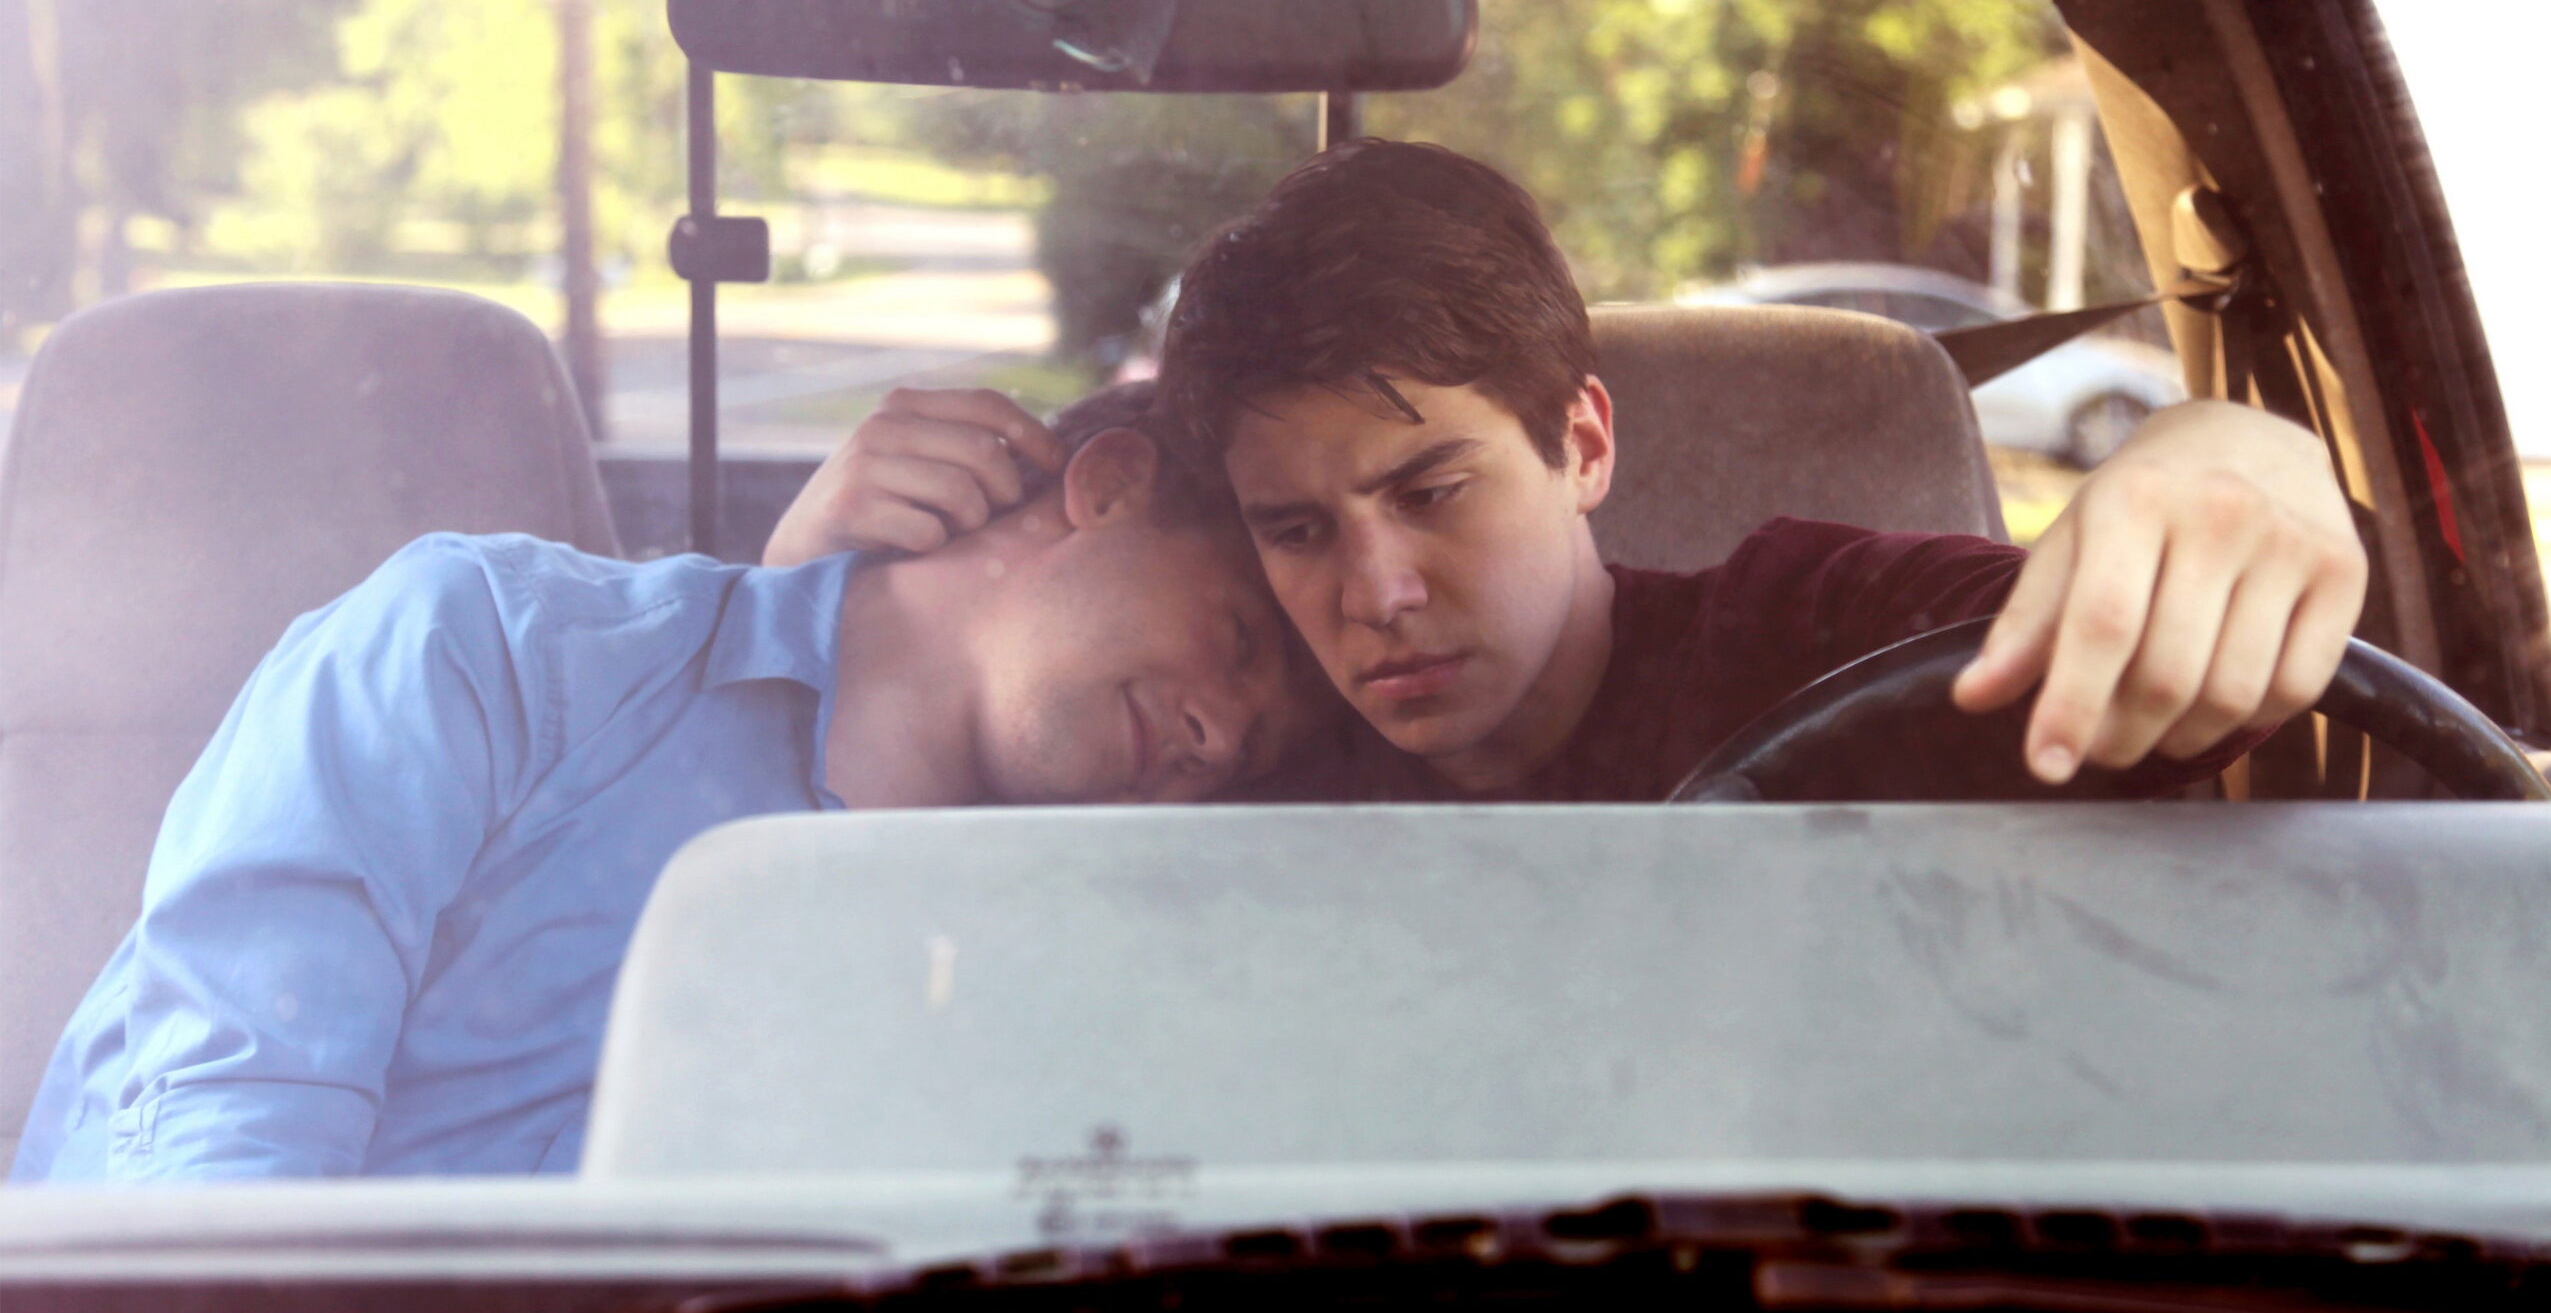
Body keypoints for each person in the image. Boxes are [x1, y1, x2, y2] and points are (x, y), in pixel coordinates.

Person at [769, 140, 2367, 803]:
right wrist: (800, 589)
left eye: (1433, 490)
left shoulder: (1809, 631)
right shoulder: (1242, 746)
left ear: (1582, 444)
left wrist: (2240, 459)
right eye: (1298, 528)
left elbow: (2162, 675)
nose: (1377, 595)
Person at [13, 386, 1321, 1183]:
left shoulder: (1068, 966)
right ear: (1111, 489)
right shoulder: (493, 646)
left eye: (1257, 751)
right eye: (1239, 640)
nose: (1220, 737)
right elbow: (228, 1123)